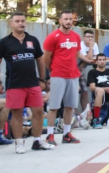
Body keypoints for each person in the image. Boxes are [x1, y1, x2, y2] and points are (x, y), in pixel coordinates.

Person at [0, 11, 53, 152]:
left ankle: (37, 141)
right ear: (11, 24)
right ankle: (19, 143)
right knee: (17, 114)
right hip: (14, 84)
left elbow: (40, 60)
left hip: (33, 84)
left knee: (38, 111)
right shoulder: (4, 42)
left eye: (23, 21)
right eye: (17, 21)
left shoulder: (33, 40)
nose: (21, 23)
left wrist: (42, 79)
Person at [43, 10, 81, 146]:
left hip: (73, 76)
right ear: (60, 20)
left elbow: (76, 55)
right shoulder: (53, 37)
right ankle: (50, 135)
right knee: (53, 106)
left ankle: (66, 133)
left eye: (70, 19)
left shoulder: (76, 37)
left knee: (70, 106)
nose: (68, 22)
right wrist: (54, 70)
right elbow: (46, 58)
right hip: (58, 75)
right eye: (66, 19)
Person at [78, 29, 99, 112]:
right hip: (73, 71)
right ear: (83, 38)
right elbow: (88, 58)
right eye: (88, 37)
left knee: (85, 91)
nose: (90, 39)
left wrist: (87, 60)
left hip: (81, 72)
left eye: (91, 37)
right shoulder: (80, 45)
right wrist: (90, 47)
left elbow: (95, 59)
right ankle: (75, 114)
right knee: (75, 91)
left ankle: (85, 113)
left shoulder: (95, 44)